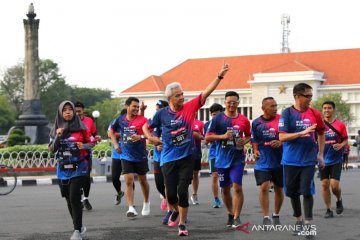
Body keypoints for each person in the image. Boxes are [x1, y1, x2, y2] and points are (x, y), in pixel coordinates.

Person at [143, 62, 230, 236]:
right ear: (170, 98)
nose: (182, 97)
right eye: (178, 96)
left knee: (183, 191)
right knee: (172, 195)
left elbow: (207, 92)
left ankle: (182, 224)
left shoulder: (190, 108)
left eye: (182, 94)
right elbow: (146, 126)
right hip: (167, 158)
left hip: (187, 156)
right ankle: (174, 210)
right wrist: (151, 138)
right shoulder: (161, 114)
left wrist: (219, 76)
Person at [278, 83, 325, 239]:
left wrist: (320, 154)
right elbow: (282, 137)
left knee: (306, 191)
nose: (310, 99)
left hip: (308, 160)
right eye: (307, 96)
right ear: (297, 96)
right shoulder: (287, 114)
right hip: (290, 160)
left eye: (311, 95)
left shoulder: (315, 113)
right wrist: (301, 132)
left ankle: (308, 225)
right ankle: (298, 221)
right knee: (292, 193)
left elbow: (321, 133)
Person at [48, 101, 95, 240]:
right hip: (62, 168)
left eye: (70, 109)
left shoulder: (82, 128)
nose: (68, 112)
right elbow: (51, 149)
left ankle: (76, 231)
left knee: (74, 196)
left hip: (79, 166)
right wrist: (58, 135)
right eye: (65, 110)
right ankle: (79, 226)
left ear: (74, 112)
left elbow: (92, 143)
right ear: (60, 113)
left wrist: (84, 145)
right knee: (68, 199)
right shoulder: (55, 129)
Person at [205, 91, 251, 229]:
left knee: (237, 187)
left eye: (234, 102)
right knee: (225, 190)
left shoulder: (243, 119)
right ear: (225, 102)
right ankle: (230, 213)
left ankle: (237, 216)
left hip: (238, 157)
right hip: (221, 158)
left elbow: (249, 136)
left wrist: (244, 141)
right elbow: (207, 137)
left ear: (238, 102)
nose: (232, 105)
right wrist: (223, 136)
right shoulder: (217, 119)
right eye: (229, 102)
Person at [108, 97, 150, 218]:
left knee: (142, 180)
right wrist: (116, 144)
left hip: (140, 155)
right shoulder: (120, 120)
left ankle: (146, 201)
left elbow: (149, 134)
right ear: (127, 107)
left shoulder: (143, 119)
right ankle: (131, 208)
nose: (136, 109)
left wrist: (141, 137)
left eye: (137, 107)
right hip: (126, 155)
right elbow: (110, 131)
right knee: (128, 180)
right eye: (134, 106)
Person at [251, 97, 284, 228]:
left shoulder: (282, 120)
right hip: (263, 160)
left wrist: (281, 142)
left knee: (279, 188)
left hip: (280, 160)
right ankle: (266, 216)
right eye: (272, 106)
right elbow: (254, 139)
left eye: (276, 105)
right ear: (264, 108)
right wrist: (255, 150)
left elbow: (288, 135)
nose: (275, 108)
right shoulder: (256, 123)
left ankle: (276, 214)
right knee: (264, 186)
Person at [320, 101, 347, 218]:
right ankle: (328, 209)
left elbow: (345, 140)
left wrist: (341, 145)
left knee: (334, 185)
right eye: (325, 108)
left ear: (333, 110)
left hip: (336, 159)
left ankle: (339, 199)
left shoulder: (340, 125)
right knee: (325, 184)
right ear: (322, 110)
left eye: (329, 108)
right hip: (322, 159)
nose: (327, 110)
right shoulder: (318, 125)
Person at [74, 101, 101, 211]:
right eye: (75, 112)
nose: (77, 114)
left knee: (86, 177)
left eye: (79, 111)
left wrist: (98, 136)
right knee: (77, 178)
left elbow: (94, 134)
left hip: (86, 154)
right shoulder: (70, 122)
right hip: (73, 156)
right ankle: (79, 199)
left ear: (83, 111)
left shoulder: (89, 121)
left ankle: (86, 198)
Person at [151, 100, 174, 224]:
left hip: (171, 158)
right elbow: (151, 137)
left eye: (159, 109)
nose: (157, 111)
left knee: (172, 186)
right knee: (159, 184)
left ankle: (174, 211)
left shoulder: (173, 122)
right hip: (158, 158)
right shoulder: (155, 123)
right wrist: (157, 143)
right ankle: (166, 198)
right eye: (156, 109)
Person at [204, 103, 223, 208]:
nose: (215, 117)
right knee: (215, 176)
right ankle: (216, 199)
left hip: (225, 153)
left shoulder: (226, 123)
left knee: (225, 178)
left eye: (217, 114)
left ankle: (225, 193)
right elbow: (206, 140)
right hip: (213, 154)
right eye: (213, 114)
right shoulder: (207, 125)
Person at [108, 108, 127, 206]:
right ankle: (119, 192)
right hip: (116, 155)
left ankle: (130, 201)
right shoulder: (115, 122)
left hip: (128, 155)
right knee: (114, 178)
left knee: (129, 178)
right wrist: (122, 134)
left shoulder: (132, 123)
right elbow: (109, 134)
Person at [190, 118, 204, 205]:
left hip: (196, 153)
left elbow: (203, 136)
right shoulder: (181, 120)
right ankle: (184, 195)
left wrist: (199, 136)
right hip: (184, 153)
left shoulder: (200, 123)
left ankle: (194, 194)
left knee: (195, 174)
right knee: (184, 175)